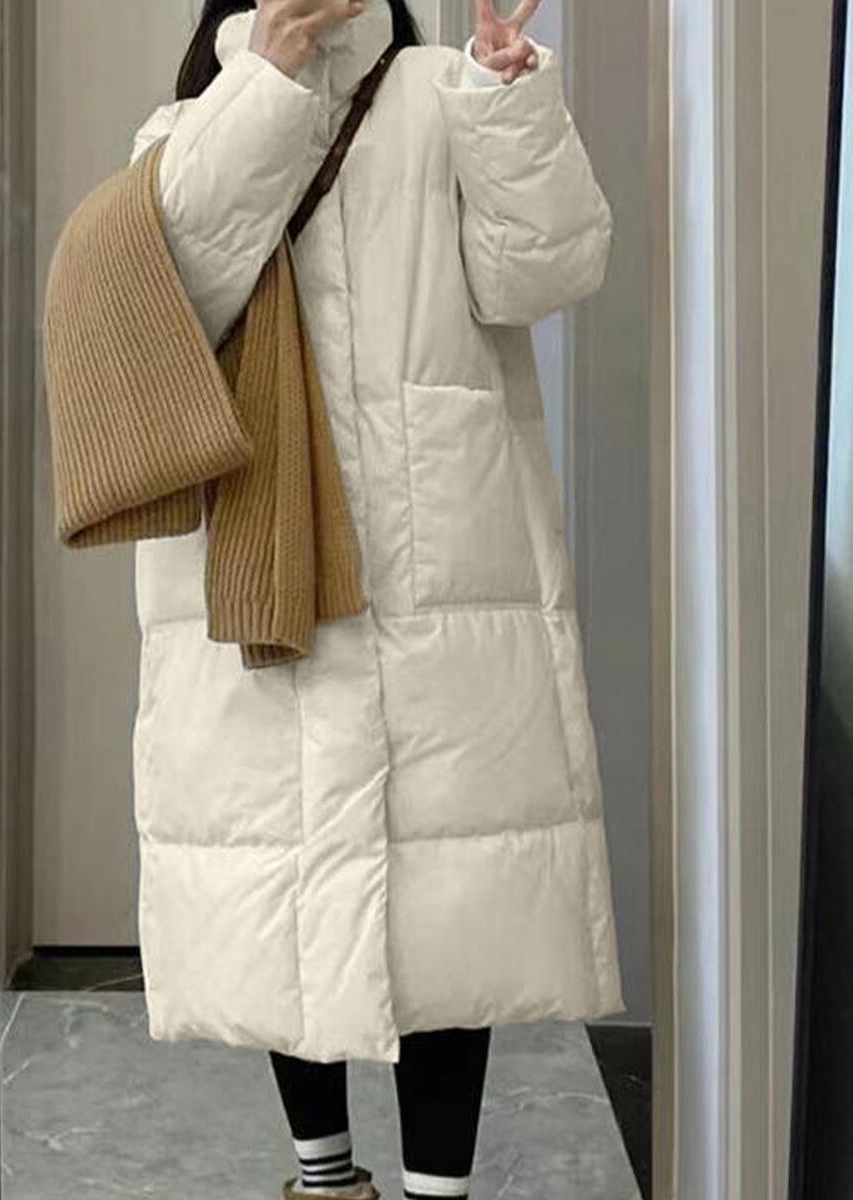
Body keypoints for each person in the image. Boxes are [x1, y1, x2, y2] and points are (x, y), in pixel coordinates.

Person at [128, 2, 625, 1196]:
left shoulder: (446, 94)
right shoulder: (186, 123)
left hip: (441, 566)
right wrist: (268, 84)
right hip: (261, 560)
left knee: (451, 900)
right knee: (285, 883)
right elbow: (177, 292)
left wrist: (508, 96)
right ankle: (322, 1180)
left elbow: (546, 270)